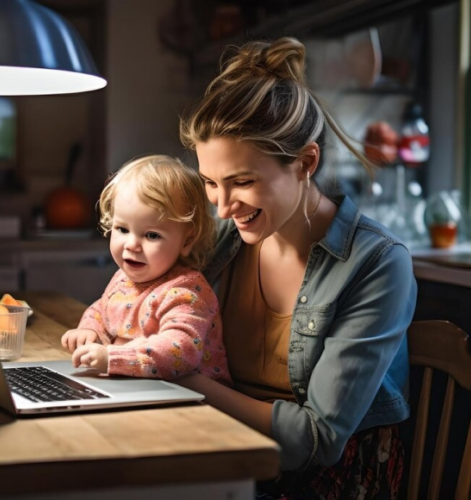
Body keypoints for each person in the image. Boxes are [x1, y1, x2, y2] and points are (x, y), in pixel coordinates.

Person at [177, 37, 417, 499]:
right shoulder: (223, 241)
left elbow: (318, 441)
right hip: (224, 453)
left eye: (242, 182)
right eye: (210, 183)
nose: (223, 207)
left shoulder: (377, 263)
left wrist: (187, 381)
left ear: (306, 162)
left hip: (326, 484)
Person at [61, 155, 231, 385]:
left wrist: (112, 356)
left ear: (187, 241)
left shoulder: (185, 292)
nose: (131, 244)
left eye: (151, 235)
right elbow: (104, 308)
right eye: (122, 229)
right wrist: (90, 330)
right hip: (142, 386)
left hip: (192, 398)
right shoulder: (123, 278)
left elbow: (180, 350)